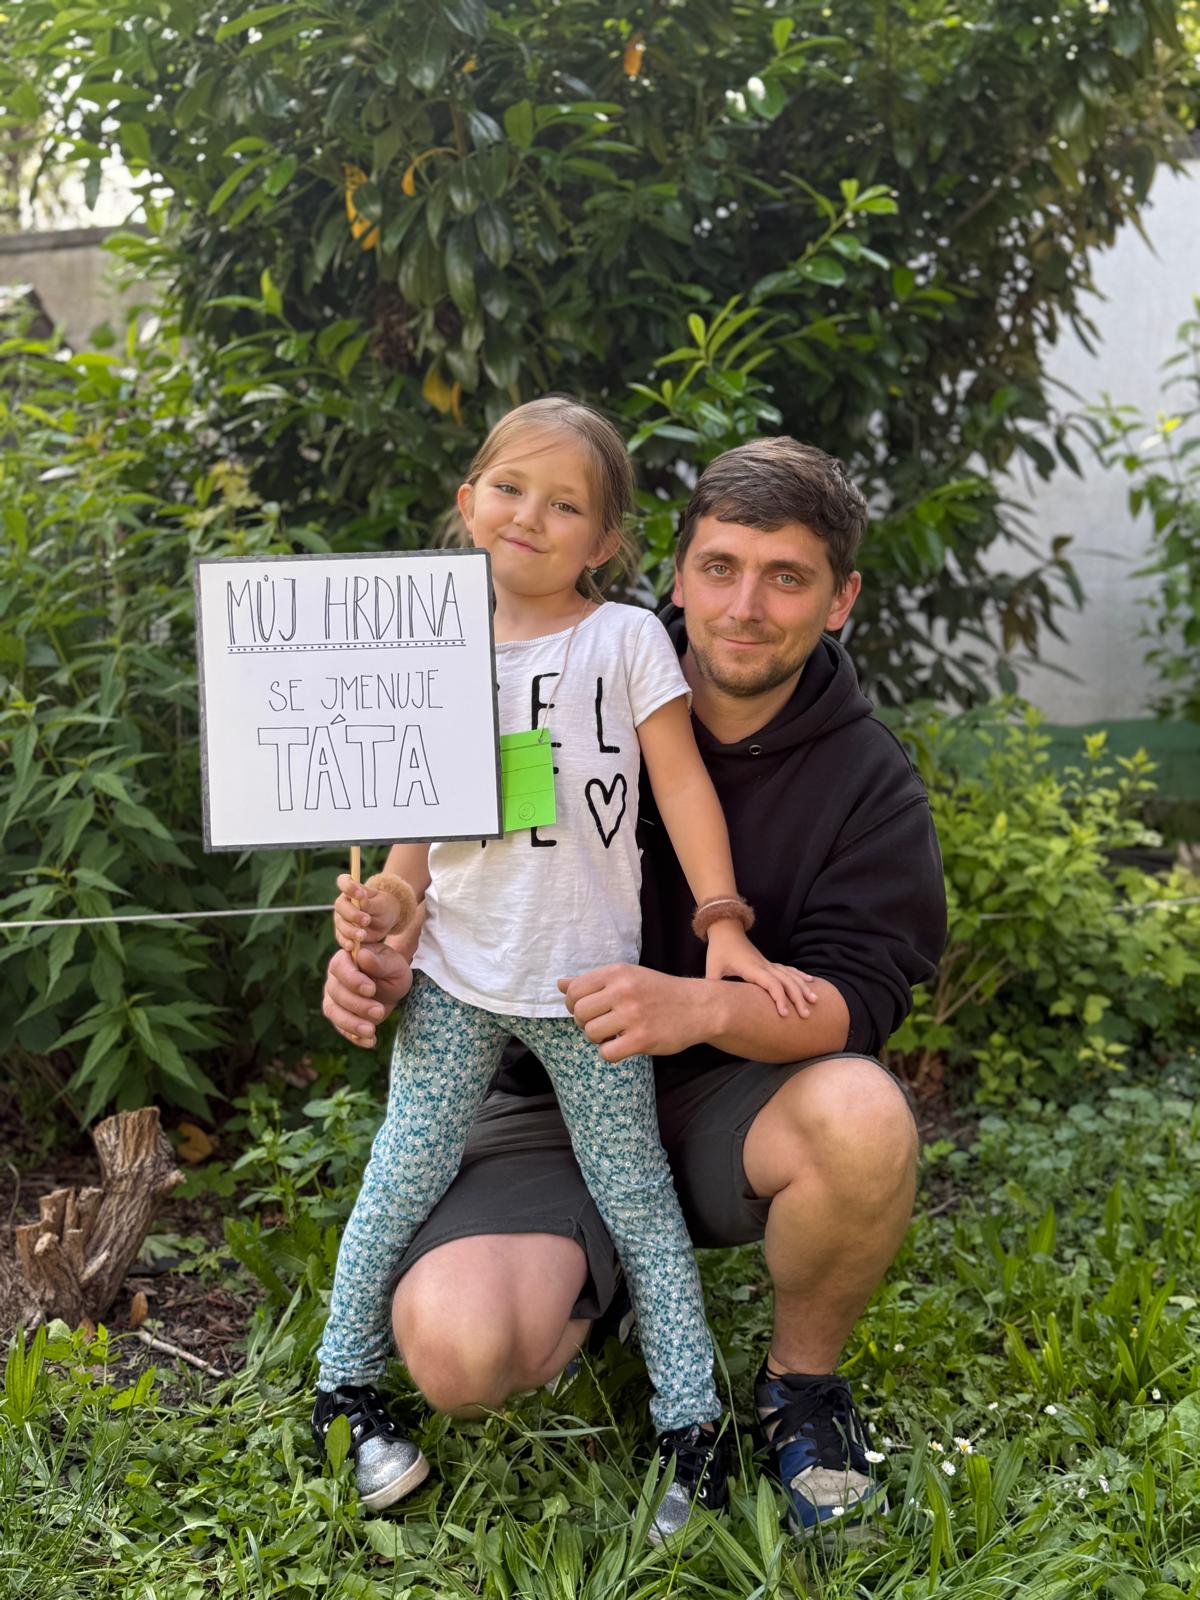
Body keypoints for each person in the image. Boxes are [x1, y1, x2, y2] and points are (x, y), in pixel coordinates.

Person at [322, 435, 947, 1539]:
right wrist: (384, 944)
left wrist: (702, 996)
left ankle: (797, 1392)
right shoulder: (533, 662)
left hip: (718, 1106)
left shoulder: (867, 779)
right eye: (721, 567)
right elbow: (429, 847)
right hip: (522, 1089)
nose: (744, 606)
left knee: (858, 1116)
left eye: (787, 577)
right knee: (457, 1349)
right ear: (677, 573)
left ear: (840, 599)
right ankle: (508, 1315)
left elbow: (860, 1002)